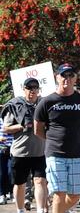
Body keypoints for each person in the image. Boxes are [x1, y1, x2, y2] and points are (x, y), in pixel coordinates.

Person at [34, 63, 80, 213]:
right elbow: (37, 130)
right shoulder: (47, 101)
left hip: (76, 153)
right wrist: (54, 141)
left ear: (75, 79)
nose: (67, 78)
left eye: (70, 75)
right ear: (57, 77)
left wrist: (75, 141)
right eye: (63, 75)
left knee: (75, 196)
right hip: (55, 153)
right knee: (59, 193)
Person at [1, 78, 48, 213]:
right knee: (20, 184)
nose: (32, 90)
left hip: (40, 152)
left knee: (40, 181)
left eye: (35, 88)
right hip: (20, 152)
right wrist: (22, 126)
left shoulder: (43, 104)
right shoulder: (15, 105)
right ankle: (20, 209)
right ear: (24, 89)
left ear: (39, 90)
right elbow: (6, 128)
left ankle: (40, 210)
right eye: (29, 88)